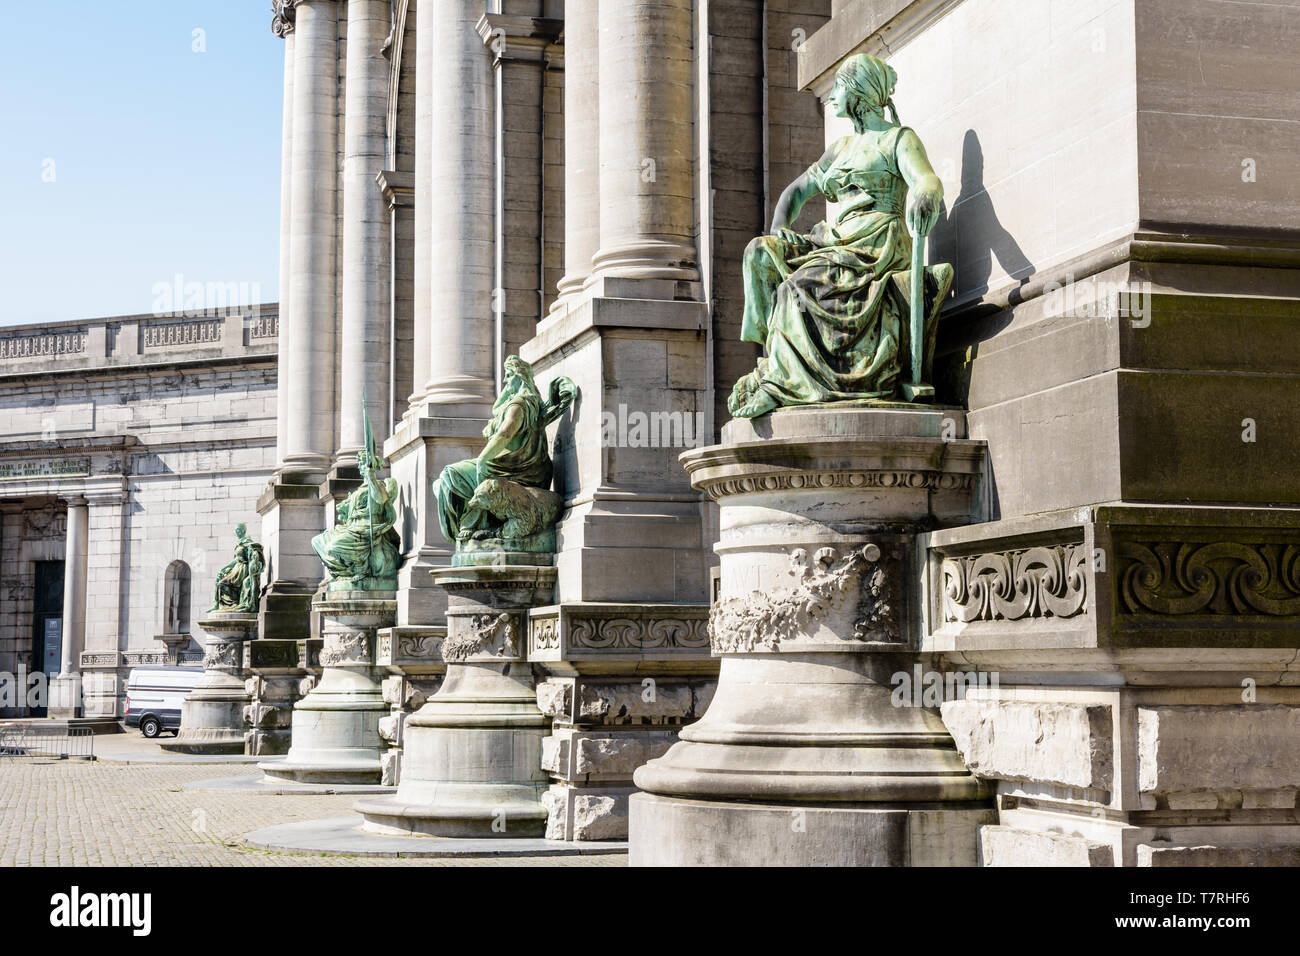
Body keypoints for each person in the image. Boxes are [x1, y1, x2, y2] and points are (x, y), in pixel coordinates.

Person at [729, 53, 953, 418]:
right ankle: (777, 364)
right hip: (834, 240)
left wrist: (927, 195)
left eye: (839, 87)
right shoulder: (839, 149)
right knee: (759, 251)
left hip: (876, 241)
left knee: (795, 289)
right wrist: (779, 238)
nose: (831, 96)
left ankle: (785, 381)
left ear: (859, 92)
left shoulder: (898, 138)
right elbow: (795, 193)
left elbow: (925, 179)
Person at [434, 356, 576, 544]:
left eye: (508, 375)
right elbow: (496, 409)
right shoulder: (520, 400)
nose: (504, 380)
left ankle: (476, 525)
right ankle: (474, 526)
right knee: (440, 484)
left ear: (520, 376)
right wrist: (510, 387)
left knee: (449, 475)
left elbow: (505, 434)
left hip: (516, 471)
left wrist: (484, 460)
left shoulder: (520, 404)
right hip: (510, 466)